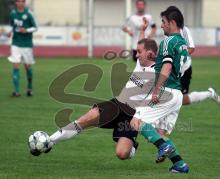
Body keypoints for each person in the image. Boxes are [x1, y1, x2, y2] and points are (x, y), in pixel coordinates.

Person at [30, 38, 158, 161]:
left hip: (131, 116)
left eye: (139, 52)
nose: (136, 55)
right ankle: (49, 142)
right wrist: (142, 29)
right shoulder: (140, 64)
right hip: (116, 105)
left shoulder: (158, 73)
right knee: (84, 120)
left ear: (150, 54)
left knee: (122, 154)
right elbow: (143, 43)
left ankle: (132, 146)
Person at [130, 7, 191, 173]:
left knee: (136, 122)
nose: (162, 26)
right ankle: (180, 165)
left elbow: (167, 67)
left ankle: (164, 147)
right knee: (159, 133)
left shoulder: (168, 42)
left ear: (172, 23)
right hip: (177, 94)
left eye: (163, 22)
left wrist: (157, 90)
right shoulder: (183, 44)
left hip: (166, 91)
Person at [165, 6, 220, 105]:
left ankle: (210, 94)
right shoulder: (168, 32)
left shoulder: (184, 30)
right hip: (173, 70)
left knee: (181, 100)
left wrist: (177, 58)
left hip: (184, 69)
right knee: (167, 99)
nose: (163, 23)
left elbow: (191, 48)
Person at [7, 0, 37, 97]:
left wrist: (27, 30)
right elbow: (12, 26)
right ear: (16, 3)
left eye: (22, 1)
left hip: (27, 44)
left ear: (24, 3)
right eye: (18, 1)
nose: (20, 3)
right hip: (16, 43)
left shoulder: (29, 13)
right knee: (15, 65)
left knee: (27, 67)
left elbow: (35, 27)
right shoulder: (13, 13)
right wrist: (10, 32)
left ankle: (29, 88)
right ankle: (16, 91)